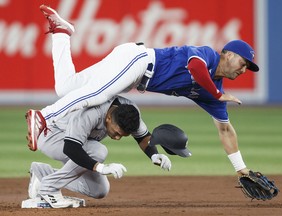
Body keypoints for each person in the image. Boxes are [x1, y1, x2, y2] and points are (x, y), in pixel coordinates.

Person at [27, 5, 259, 179]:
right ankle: (45, 117)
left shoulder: (213, 92)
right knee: (96, 95)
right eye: (243, 62)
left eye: (248, 67)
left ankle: (61, 33)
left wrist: (241, 168)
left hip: (133, 75)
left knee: (66, 87)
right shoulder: (208, 55)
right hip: (139, 61)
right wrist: (218, 95)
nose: (243, 68)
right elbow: (195, 67)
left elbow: (226, 130)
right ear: (227, 54)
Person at [26, 95, 177, 208]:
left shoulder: (130, 113)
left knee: (99, 190)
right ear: (109, 117)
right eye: (117, 132)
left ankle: (42, 174)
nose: (117, 138)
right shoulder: (92, 113)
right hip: (53, 135)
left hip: (78, 142)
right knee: (98, 151)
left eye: (122, 136)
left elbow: (143, 136)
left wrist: (154, 154)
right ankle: (48, 188)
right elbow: (71, 148)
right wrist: (101, 167)